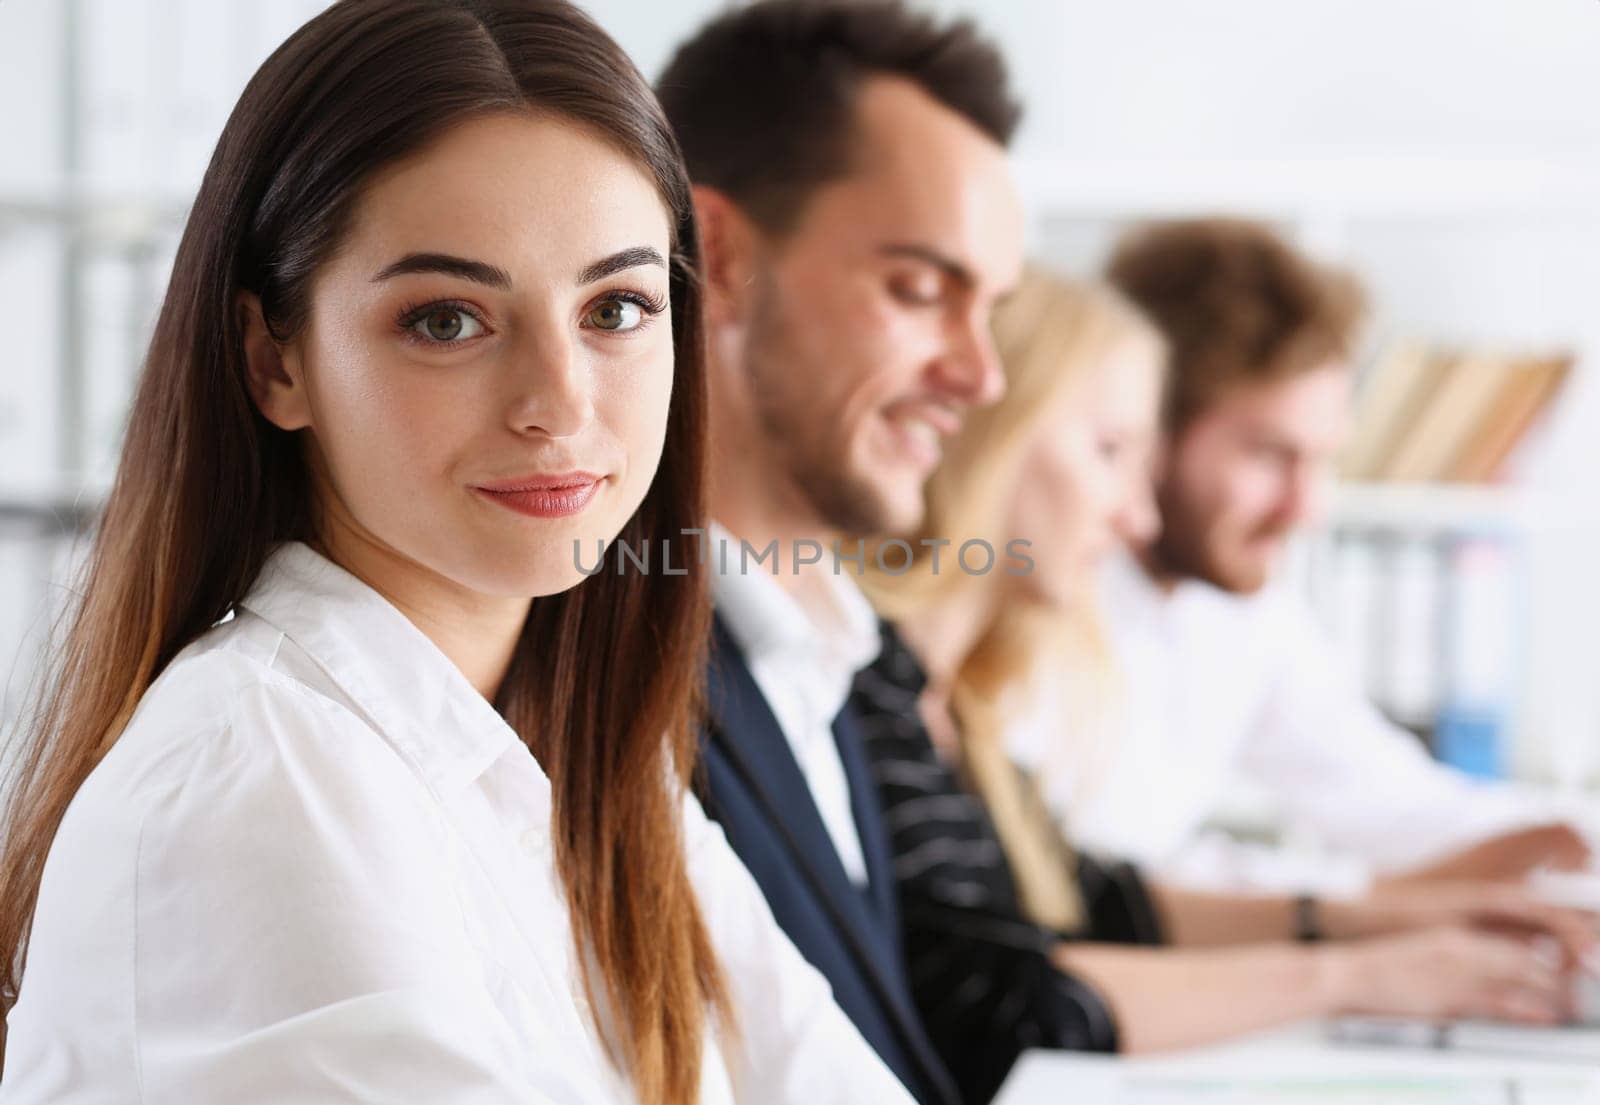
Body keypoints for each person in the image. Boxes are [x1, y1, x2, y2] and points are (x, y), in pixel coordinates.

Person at [0, 3, 914, 1103]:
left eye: (616, 307)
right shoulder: (260, 786)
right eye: (447, 320)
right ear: (272, 360)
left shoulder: (581, 764)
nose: (558, 403)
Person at [856, 268, 1598, 1102]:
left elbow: (1101, 896)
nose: (1134, 515)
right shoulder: (885, 686)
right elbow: (1013, 992)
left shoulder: (963, 700)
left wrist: (1409, 920)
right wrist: (1359, 967)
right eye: (1111, 450)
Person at [657, 3, 1022, 1102]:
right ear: (717, 256)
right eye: (919, 290)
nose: (980, 374)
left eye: (990, 308)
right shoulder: (608, 670)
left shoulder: (827, 653)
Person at [1029, 216, 1595, 892]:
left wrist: (1574, 831)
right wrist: (1348, 912)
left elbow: (1403, 808)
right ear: (1149, 427)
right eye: (1271, 454)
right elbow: (1100, 895)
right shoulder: (1033, 596)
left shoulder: (1243, 616)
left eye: (1323, 459)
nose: (1307, 508)